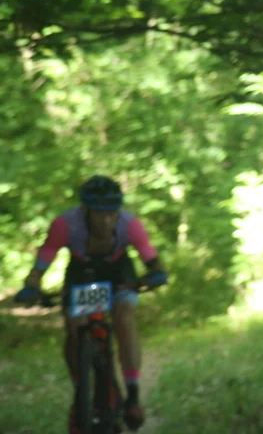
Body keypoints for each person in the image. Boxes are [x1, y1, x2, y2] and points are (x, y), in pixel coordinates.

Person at [13, 175, 168, 434]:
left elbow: (151, 257)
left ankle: (133, 395)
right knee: (74, 327)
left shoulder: (130, 224)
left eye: (112, 213)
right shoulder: (65, 224)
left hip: (118, 271)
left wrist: (157, 273)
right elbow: (44, 259)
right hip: (82, 272)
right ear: (85, 210)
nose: (106, 220)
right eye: (99, 213)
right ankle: (81, 391)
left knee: (125, 317)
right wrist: (32, 285)